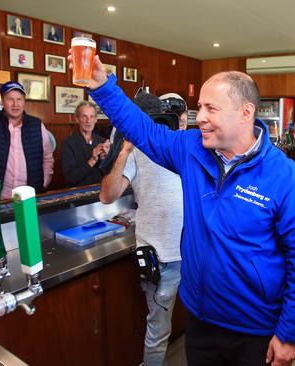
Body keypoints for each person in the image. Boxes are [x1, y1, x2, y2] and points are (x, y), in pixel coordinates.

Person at [77, 53, 295, 366]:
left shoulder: (290, 180)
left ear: (245, 113)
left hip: (254, 329)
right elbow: (143, 130)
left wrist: (289, 334)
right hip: (200, 318)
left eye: (211, 108)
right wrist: (102, 87)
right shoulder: (192, 148)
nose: (200, 117)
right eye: (199, 107)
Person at [99, 92, 184, 366]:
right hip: (159, 257)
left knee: (205, 322)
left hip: (194, 252)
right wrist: (124, 149)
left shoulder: (192, 148)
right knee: (159, 332)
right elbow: (107, 196)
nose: (173, 121)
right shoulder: (137, 150)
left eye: (179, 115)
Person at [60, 101, 110, 187]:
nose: (88, 121)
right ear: (77, 119)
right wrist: (92, 160)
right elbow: (70, 178)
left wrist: (106, 159)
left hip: (101, 192)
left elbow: (110, 174)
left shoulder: (103, 142)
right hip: (79, 194)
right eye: (84, 116)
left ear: (96, 119)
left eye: (92, 116)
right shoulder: (68, 144)